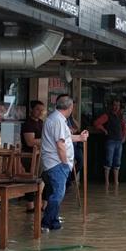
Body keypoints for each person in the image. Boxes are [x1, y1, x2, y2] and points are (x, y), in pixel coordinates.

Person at [40, 95, 88, 231]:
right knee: (58, 194)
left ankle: (54, 223)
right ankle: (45, 223)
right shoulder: (58, 121)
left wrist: (80, 137)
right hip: (57, 164)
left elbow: (65, 138)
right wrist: (66, 163)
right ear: (70, 107)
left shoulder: (57, 119)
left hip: (53, 164)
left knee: (55, 193)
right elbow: (60, 144)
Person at [93, 100, 126, 186]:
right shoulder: (107, 115)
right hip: (110, 140)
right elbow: (96, 123)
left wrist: (124, 137)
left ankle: (116, 182)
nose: (116, 107)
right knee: (108, 161)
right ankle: (107, 182)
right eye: (115, 105)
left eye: (118, 105)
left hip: (119, 141)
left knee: (117, 162)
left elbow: (124, 128)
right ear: (111, 106)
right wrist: (104, 130)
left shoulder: (121, 116)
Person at [21, 100, 45, 212]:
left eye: (41, 110)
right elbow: (30, 142)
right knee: (32, 179)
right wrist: (45, 140)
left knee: (42, 179)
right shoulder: (28, 124)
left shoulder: (41, 122)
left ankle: (42, 205)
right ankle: (30, 206)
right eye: (37, 109)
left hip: (41, 155)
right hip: (29, 156)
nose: (40, 112)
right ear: (31, 109)